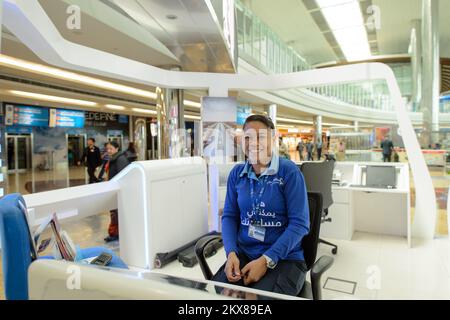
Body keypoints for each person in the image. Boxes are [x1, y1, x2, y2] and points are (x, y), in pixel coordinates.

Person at [213, 114, 310, 297]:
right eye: (248, 137)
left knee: (253, 300)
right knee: (221, 295)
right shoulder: (237, 174)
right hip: (244, 254)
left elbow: (300, 224)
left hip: (285, 258)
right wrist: (231, 253)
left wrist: (266, 260)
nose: (253, 143)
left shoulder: (288, 172)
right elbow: (229, 216)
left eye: (261, 137)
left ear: (273, 139)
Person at [104, 141, 130, 242]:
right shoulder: (114, 158)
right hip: (113, 188)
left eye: (111, 149)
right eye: (107, 149)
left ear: (117, 148)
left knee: (115, 213)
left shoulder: (120, 159)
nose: (109, 151)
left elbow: (124, 175)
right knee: (114, 212)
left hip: (117, 189)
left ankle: (115, 233)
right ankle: (115, 233)